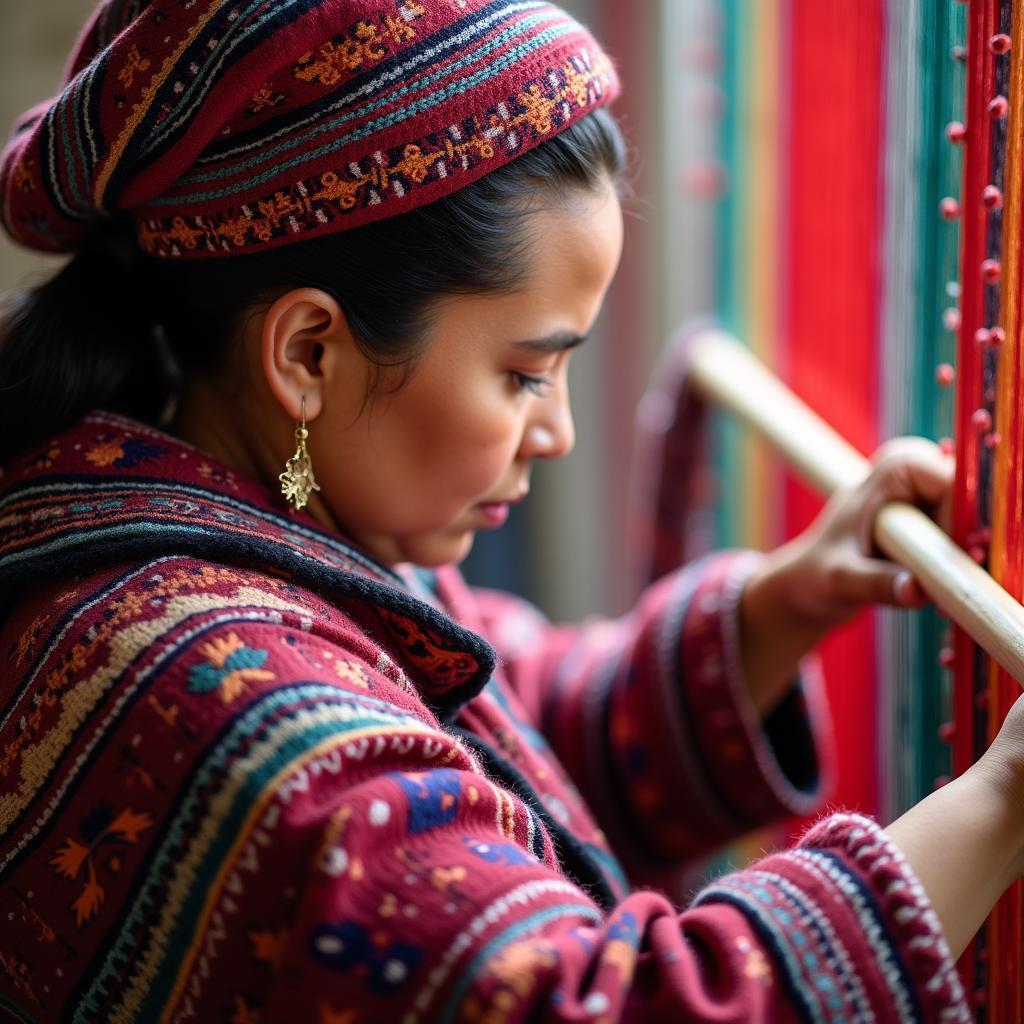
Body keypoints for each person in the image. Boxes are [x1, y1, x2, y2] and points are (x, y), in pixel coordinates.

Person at [0, 1, 1020, 1020]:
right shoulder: (220, 706)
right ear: (309, 352)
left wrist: (781, 606)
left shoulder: (222, 520)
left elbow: (504, 731)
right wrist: (998, 799)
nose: (557, 432)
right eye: (527, 374)